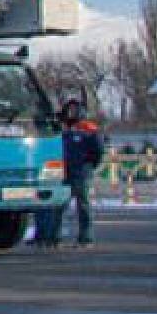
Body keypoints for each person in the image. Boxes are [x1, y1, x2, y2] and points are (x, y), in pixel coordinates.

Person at [34, 98, 103, 248]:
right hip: (64, 172)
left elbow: (98, 151)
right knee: (58, 206)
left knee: (83, 206)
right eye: (69, 109)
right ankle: (53, 237)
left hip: (81, 172)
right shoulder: (62, 129)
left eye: (74, 110)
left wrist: (88, 166)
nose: (71, 113)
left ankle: (86, 238)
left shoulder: (88, 129)